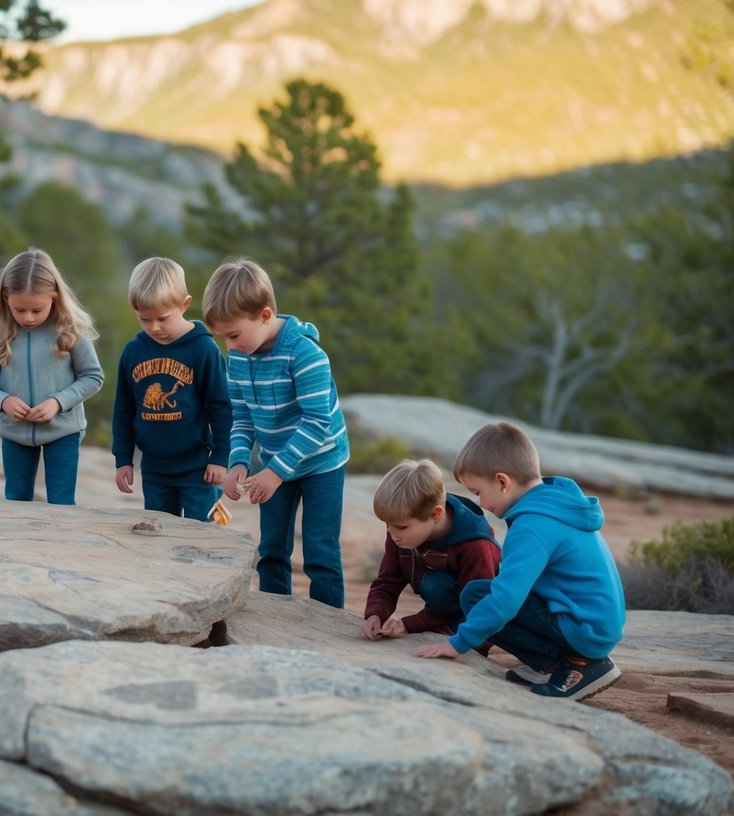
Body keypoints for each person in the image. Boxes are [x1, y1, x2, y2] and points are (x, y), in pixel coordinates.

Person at [414, 422, 626, 702]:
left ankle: (576, 665)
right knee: (486, 591)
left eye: (478, 491)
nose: (481, 503)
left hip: (585, 630)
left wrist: (458, 643)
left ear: (502, 482)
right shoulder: (554, 504)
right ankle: (557, 661)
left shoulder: (531, 527)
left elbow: (506, 600)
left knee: (478, 596)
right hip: (596, 623)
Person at [202, 257, 349, 608]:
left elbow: (317, 423)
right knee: (270, 549)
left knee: (320, 552)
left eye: (234, 334)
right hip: (272, 464)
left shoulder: (305, 354)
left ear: (265, 316)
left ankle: (327, 627)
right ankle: (275, 619)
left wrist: (275, 473)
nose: (230, 346)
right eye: (223, 337)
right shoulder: (238, 355)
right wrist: (238, 461)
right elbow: (241, 415)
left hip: (321, 463)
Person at [0, 248, 104, 505]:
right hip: (14, 433)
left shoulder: (71, 331)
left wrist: (58, 402)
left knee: (61, 502)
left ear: (54, 298)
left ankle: (61, 546)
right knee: (16, 500)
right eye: (19, 310)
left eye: (37, 310)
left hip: (63, 432)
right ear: (6, 298)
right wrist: (3, 401)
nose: (28, 318)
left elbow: (93, 377)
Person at [112, 257, 232, 521]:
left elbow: (221, 406)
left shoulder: (203, 350)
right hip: (154, 468)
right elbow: (123, 409)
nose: (154, 327)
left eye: (162, 318)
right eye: (144, 319)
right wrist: (123, 459)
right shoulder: (133, 352)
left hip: (198, 468)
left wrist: (221, 456)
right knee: (159, 532)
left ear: (185, 304)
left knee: (200, 533)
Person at [361, 458, 500, 641]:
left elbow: (482, 606)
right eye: (388, 525)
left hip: (482, 618)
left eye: (401, 527)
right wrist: (375, 614)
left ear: (436, 514)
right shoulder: (401, 531)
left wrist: (411, 624)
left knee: (437, 583)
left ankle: (451, 631)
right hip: (441, 612)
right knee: (435, 583)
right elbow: (387, 581)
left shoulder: (475, 544)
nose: (392, 533)